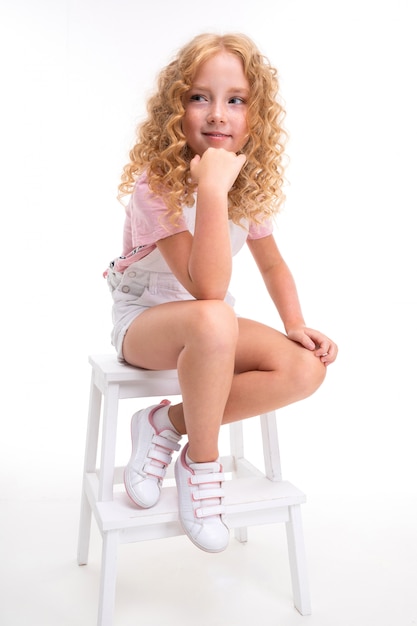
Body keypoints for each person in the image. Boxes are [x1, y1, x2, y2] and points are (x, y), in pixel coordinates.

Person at [105, 32, 338, 554]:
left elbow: (272, 263)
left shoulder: (245, 183)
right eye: (199, 97)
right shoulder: (156, 184)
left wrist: (294, 324)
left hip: (209, 327)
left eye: (235, 100)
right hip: (145, 323)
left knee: (306, 368)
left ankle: (166, 423)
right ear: (175, 107)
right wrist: (210, 190)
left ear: (255, 117)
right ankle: (201, 467)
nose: (217, 114)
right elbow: (207, 285)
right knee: (214, 316)